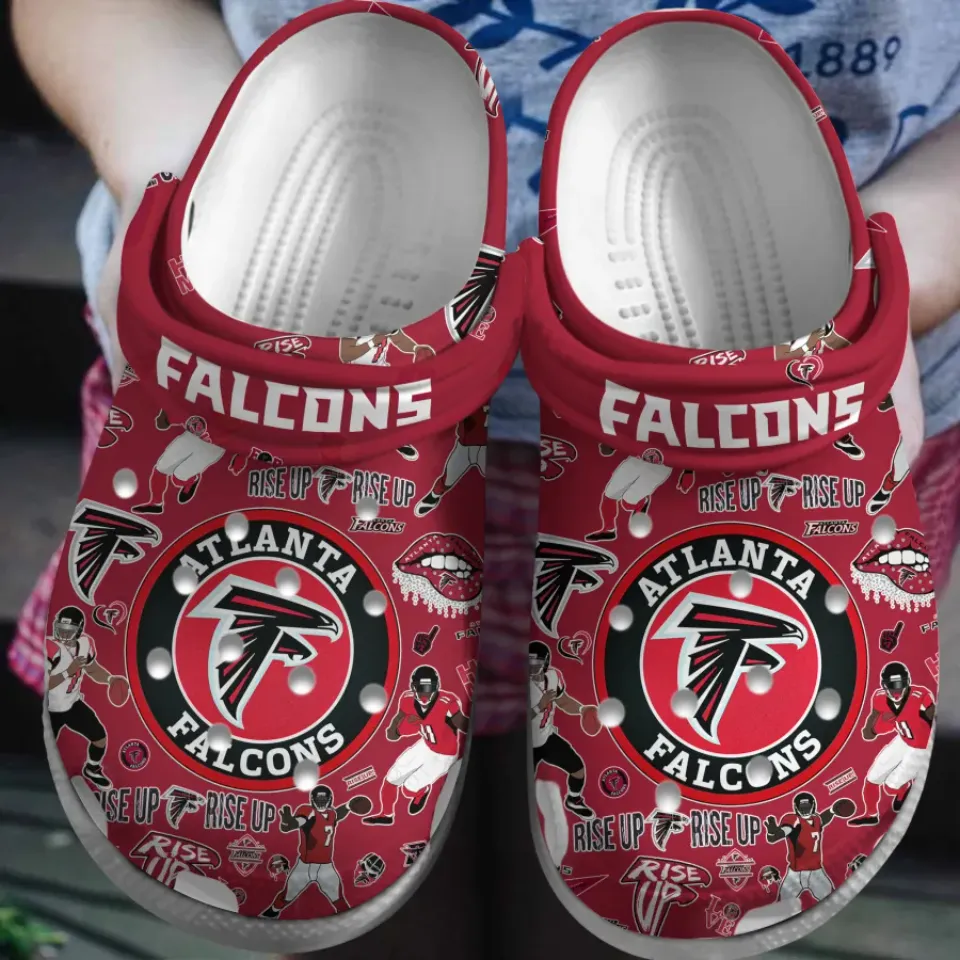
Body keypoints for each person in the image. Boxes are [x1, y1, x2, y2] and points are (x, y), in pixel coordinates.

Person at [8, 2, 960, 955]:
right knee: (328, 870)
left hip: (821, 386)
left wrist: (902, 267)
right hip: (260, 316)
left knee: (650, 882)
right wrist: (176, 173)